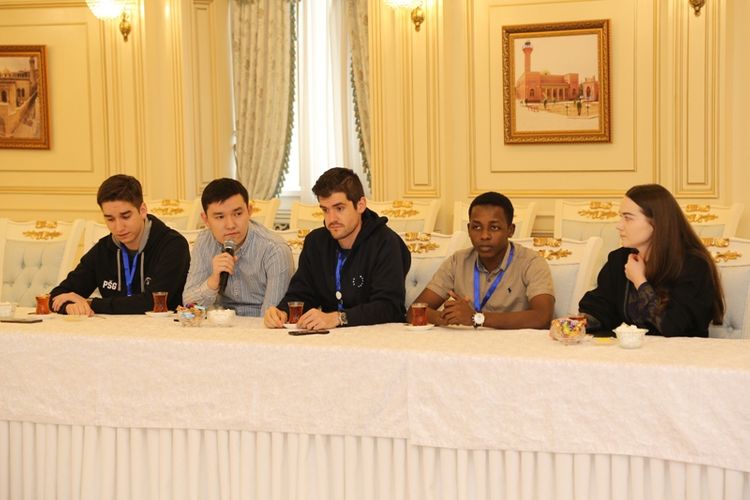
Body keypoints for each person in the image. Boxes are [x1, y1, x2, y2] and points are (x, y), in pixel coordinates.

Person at [264, 167, 411, 329]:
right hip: (329, 338)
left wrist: (339, 318)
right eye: (325, 210)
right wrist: (282, 312)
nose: (331, 219)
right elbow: (302, 294)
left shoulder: (386, 242)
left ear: (360, 205)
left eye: (339, 208)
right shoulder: (315, 243)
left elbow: (389, 307)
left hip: (379, 337)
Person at [578, 184, 724, 337]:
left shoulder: (694, 265)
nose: (619, 225)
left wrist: (640, 281)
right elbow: (600, 307)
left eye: (628, 218)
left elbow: (673, 326)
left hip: (681, 351)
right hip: (633, 351)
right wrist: (578, 323)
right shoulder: (620, 259)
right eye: (621, 217)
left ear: (656, 222)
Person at [408, 192, 555, 329]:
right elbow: (414, 312)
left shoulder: (531, 263)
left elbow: (542, 317)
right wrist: (447, 317)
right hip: (467, 344)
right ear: (469, 229)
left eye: (494, 227)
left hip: (515, 345)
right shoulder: (457, 261)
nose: (484, 236)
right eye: (477, 227)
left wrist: (476, 318)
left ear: (510, 230)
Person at [50, 174, 190, 315]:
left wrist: (89, 304)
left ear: (142, 210)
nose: (118, 228)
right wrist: (69, 306)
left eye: (126, 216)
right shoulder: (103, 249)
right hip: (112, 328)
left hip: (163, 328)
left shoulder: (173, 246)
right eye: (110, 219)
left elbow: (153, 303)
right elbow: (56, 296)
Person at [182, 178, 293, 316]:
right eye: (220, 217)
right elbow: (189, 306)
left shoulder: (274, 250)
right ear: (206, 220)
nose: (230, 225)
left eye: (238, 214)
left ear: (249, 211)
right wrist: (213, 281)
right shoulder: (204, 242)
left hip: (259, 325)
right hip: (219, 324)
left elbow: (273, 316)